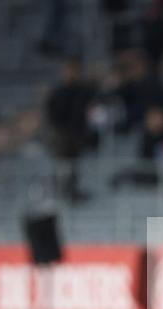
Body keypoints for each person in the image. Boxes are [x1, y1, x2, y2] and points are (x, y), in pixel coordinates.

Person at [45, 59, 99, 203]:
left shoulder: (87, 91)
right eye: (69, 71)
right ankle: (62, 191)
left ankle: (73, 190)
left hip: (81, 134)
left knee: (75, 162)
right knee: (63, 162)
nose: (71, 74)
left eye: (75, 71)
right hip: (63, 135)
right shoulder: (57, 93)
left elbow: (94, 110)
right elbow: (51, 115)